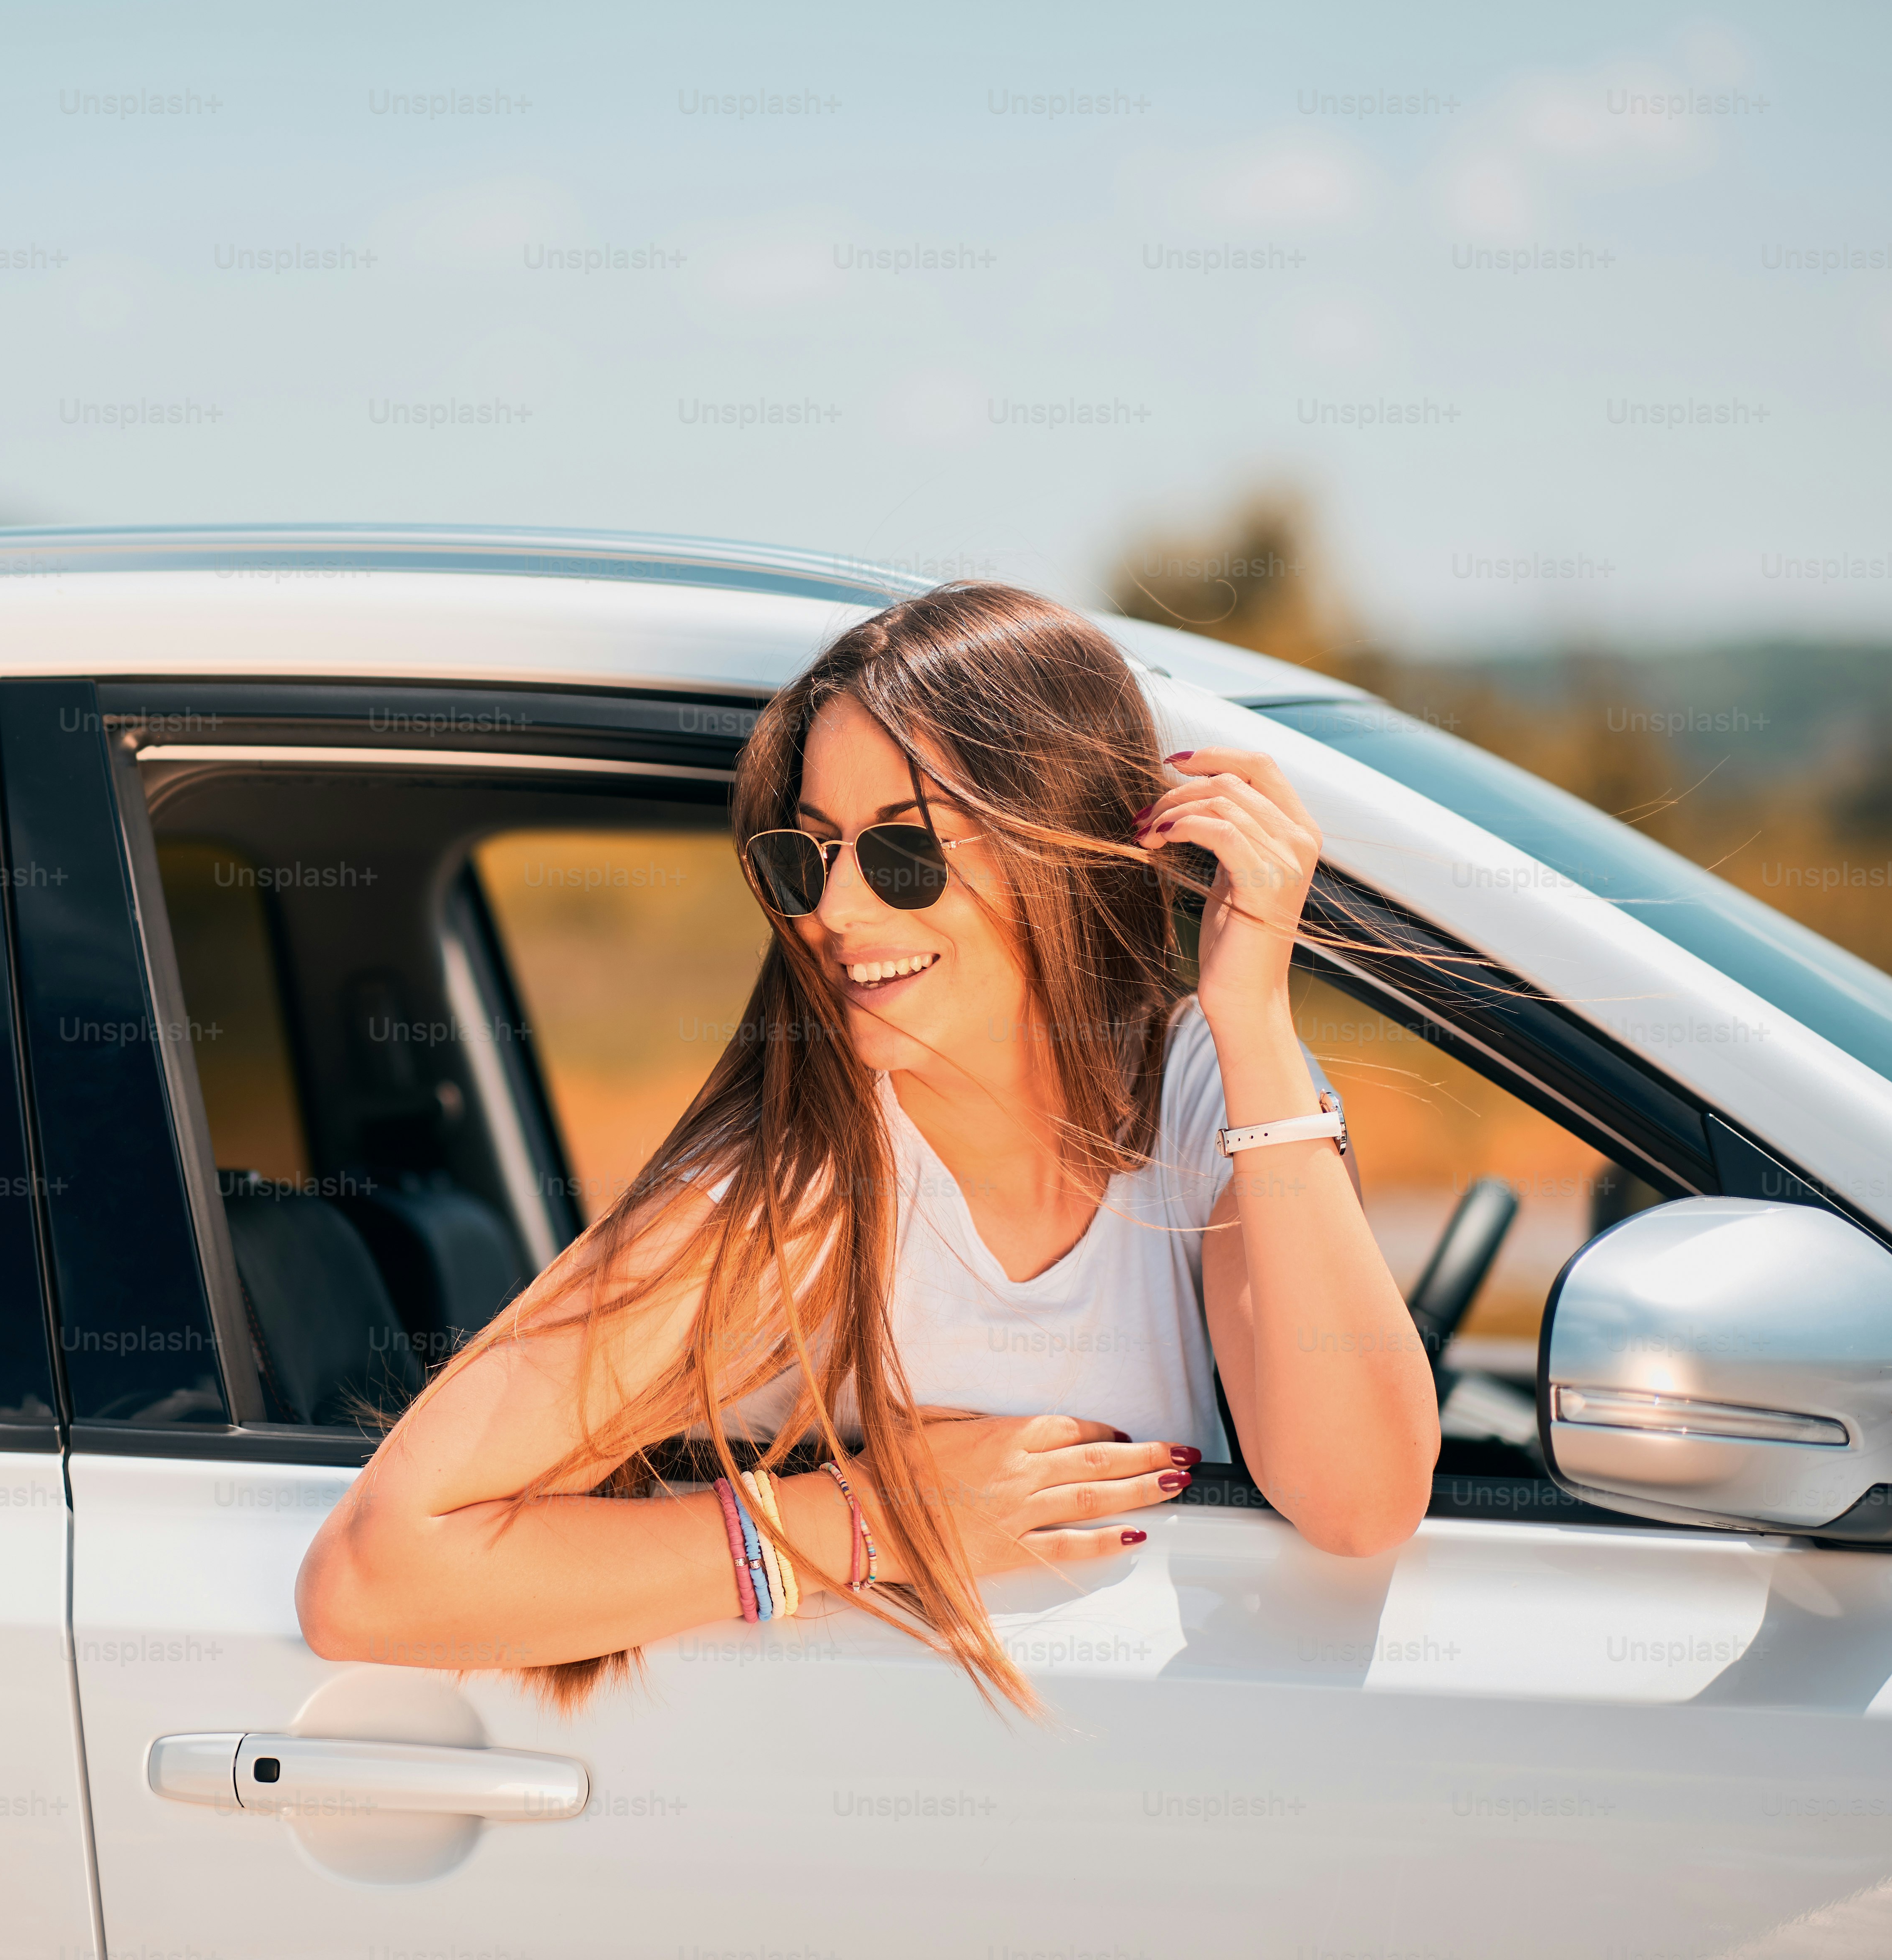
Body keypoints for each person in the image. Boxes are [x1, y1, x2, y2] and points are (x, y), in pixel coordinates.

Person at [294, 583, 1439, 1708]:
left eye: (903, 853)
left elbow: (1360, 1500)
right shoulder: (783, 1192)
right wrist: (880, 1520)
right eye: (808, 856)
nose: (834, 909)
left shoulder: (1213, 1096)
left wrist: (1257, 1018)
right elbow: (370, 1576)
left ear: (1069, 851)